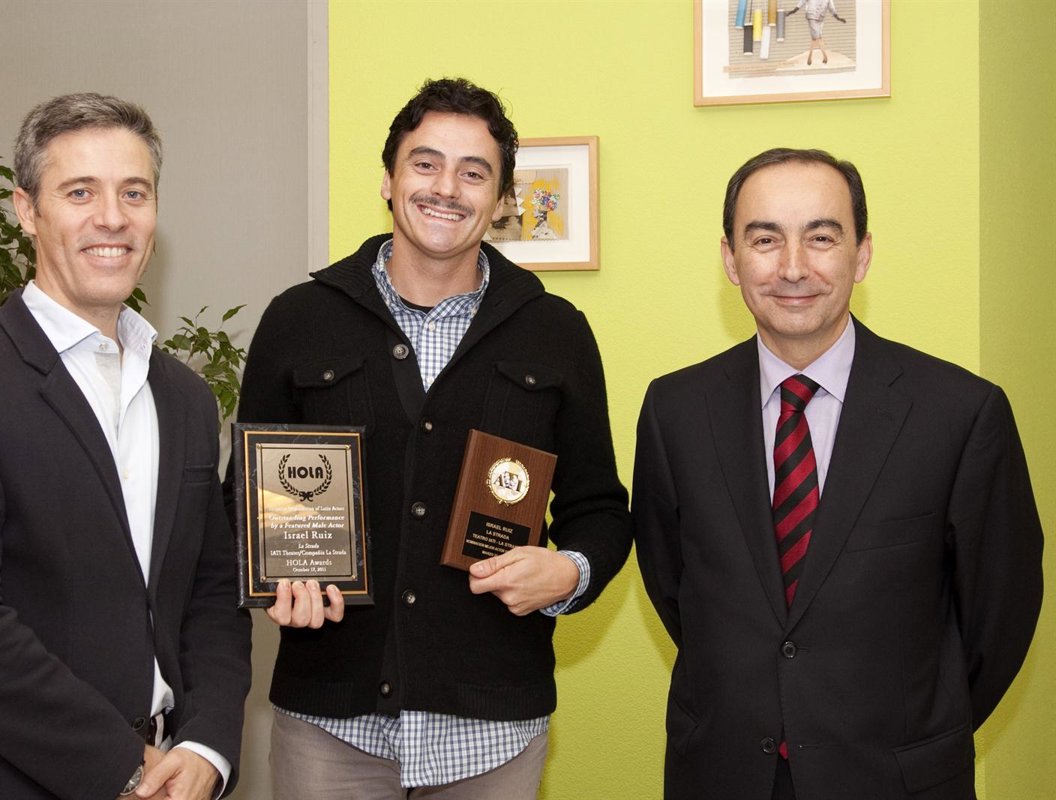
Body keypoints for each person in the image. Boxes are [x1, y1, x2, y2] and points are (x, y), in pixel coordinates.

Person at [229, 77, 631, 798]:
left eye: (474, 172)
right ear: (389, 180)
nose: (447, 187)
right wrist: (273, 582)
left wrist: (568, 573)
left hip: (492, 733)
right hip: (329, 726)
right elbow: (244, 503)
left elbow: (599, 508)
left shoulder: (556, 331)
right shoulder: (298, 319)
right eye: (426, 163)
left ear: (501, 200)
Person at [632, 147, 1044, 800]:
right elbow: (674, 587)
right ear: (731, 259)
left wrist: (916, 732)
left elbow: (1000, 615)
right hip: (723, 771)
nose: (794, 267)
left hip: (895, 778)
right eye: (765, 239)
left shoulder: (961, 413)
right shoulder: (674, 410)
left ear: (863, 254)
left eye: (822, 237)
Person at [0, 93, 252, 800]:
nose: (112, 217)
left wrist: (206, 745)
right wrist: (124, 768)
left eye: (134, 192)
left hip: (172, 774)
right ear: (26, 210)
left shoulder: (186, 398)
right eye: (80, 192)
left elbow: (210, 594)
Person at [786, 0, 846, 66]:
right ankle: (815, 57)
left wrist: (838, 18)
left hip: (820, 18)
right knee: (816, 37)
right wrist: (793, 11)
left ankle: (820, 57)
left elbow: (832, 8)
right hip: (811, 16)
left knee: (818, 37)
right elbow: (802, 2)